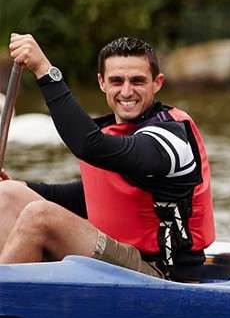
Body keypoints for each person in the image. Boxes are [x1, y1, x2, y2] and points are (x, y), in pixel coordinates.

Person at [0, 35, 216, 280]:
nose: (126, 91)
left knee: (39, 216)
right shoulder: (116, 131)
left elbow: (88, 145)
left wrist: (44, 70)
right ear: (102, 82)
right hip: (122, 256)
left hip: (161, 273)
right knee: (7, 194)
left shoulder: (171, 139)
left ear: (157, 83)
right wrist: (22, 186)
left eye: (137, 81)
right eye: (116, 81)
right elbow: (93, 196)